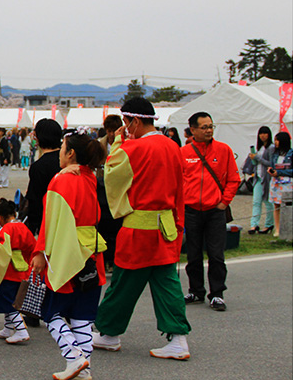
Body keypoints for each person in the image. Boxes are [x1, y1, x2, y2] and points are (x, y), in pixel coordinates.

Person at [92, 97, 191, 360]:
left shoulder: (132, 148)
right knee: (167, 282)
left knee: (124, 283)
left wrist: (118, 143)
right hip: (166, 224)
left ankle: (109, 333)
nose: (124, 128)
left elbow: (111, 176)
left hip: (138, 227)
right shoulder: (172, 146)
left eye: (126, 122)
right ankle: (178, 338)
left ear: (134, 121)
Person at [32, 129, 107, 380]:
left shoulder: (61, 180)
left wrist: (40, 251)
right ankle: (83, 366)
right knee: (82, 315)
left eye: (63, 148)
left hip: (66, 251)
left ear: (70, 153)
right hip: (91, 252)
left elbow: (49, 221)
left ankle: (73, 357)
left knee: (52, 312)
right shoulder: (90, 177)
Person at [181, 111, 239, 312]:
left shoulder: (223, 150)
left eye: (211, 126)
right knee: (193, 254)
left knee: (216, 255)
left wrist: (224, 203)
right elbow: (177, 181)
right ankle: (196, 290)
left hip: (215, 211)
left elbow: (234, 179)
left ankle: (217, 294)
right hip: (191, 211)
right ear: (193, 130)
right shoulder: (184, 153)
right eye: (204, 127)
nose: (208, 130)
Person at [0, 198, 36, 345]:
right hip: (21, 269)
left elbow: (0, 247)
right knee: (14, 300)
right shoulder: (23, 226)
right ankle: (8, 328)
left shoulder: (6, 230)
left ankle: (21, 330)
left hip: (7, 271)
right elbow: (32, 246)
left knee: (8, 302)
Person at [24, 119, 62, 237]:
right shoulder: (67, 160)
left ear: (39, 138)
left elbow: (35, 200)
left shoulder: (39, 167)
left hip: (47, 223)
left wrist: (33, 227)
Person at [96, 115, 124, 270]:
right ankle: (107, 259)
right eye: (109, 131)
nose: (112, 134)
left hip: (118, 188)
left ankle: (114, 259)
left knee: (116, 225)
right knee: (104, 225)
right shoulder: (100, 144)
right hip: (102, 186)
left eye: (114, 130)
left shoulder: (125, 144)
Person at [247, 126, 275, 234]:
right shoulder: (259, 148)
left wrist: (257, 158)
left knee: (268, 202)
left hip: (266, 178)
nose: (263, 135)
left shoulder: (271, 148)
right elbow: (257, 163)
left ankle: (269, 224)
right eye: (261, 133)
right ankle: (254, 225)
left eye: (265, 133)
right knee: (256, 202)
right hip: (258, 177)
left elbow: (271, 164)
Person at [268, 131, 293, 238]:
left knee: (288, 205)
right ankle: (277, 229)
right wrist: (272, 171)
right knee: (276, 205)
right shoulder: (275, 154)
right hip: (276, 182)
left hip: (288, 182)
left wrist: (280, 172)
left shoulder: (292, 154)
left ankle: (289, 228)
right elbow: (273, 165)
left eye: (277, 140)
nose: (276, 143)